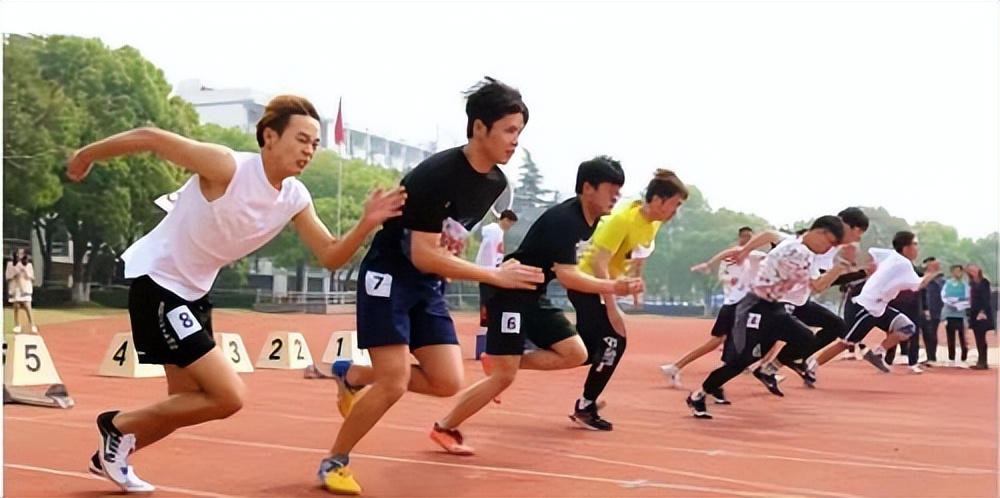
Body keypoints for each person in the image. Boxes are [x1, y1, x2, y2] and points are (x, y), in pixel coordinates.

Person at [66, 94, 406, 494]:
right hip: (159, 282)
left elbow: (330, 255)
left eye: (315, 144)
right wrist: (86, 155)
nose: (309, 150)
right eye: (301, 139)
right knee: (228, 396)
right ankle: (115, 426)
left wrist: (366, 223)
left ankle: (111, 453)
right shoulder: (227, 167)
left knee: (184, 403)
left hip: (193, 293)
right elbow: (151, 137)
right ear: (269, 137)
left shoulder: (295, 197)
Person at [318, 77, 544, 495]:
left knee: (447, 381)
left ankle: (353, 375)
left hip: (427, 284)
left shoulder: (495, 184)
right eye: (509, 130)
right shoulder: (436, 175)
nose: (515, 141)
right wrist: (495, 275)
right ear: (479, 128)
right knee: (394, 381)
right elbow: (421, 253)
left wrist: (456, 244)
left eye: (519, 132)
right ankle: (335, 461)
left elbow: (447, 237)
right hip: (389, 276)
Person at [429, 155, 644, 455]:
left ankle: (500, 359)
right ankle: (445, 427)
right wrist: (613, 287)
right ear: (588, 189)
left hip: (532, 292)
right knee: (505, 377)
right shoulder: (566, 220)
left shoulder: (590, 220)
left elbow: (564, 270)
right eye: (611, 189)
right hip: (508, 291)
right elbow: (568, 276)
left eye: (619, 191)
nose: (616, 197)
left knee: (575, 353)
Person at [686, 216, 844, 419]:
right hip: (755, 307)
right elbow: (818, 286)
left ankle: (769, 368)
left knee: (805, 337)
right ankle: (699, 395)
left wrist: (744, 251)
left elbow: (769, 234)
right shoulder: (799, 252)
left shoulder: (793, 241)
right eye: (829, 242)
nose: (827, 249)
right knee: (742, 361)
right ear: (819, 232)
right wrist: (841, 266)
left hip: (774, 308)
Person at [567, 169, 688, 431]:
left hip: (604, 286)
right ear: (658, 200)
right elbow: (598, 263)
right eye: (675, 204)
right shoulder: (622, 220)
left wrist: (635, 282)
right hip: (587, 284)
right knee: (613, 342)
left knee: (586, 350)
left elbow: (638, 253)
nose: (676, 212)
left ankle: (533, 346)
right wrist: (612, 308)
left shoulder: (653, 223)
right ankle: (585, 405)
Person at [661, 226, 760, 389]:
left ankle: (680, 368)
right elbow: (726, 268)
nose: (747, 239)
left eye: (750, 236)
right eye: (744, 236)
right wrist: (710, 265)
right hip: (734, 303)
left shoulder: (755, 256)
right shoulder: (735, 256)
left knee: (729, 340)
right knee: (723, 340)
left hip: (741, 304)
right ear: (739, 237)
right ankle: (679, 368)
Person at [836, 231, 942, 373]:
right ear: (906, 248)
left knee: (907, 328)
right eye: (915, 244)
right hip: (870, 306)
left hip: (883, 306)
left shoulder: (892, 256)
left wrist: (873, 266)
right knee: (847, 341)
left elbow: (873, 251)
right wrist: (931, 273)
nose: (917, 248)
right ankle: (814, 362)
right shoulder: (904, 263)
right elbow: (919, 285)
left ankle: (878, 353)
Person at [474, 209, 518, 358]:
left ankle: (490, 342)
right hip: (489, 275)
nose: (509, 227)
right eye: (509, 223)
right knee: (488, 308)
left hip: (492, 274)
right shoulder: (495, 232)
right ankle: (485, 345)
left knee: (493, 307)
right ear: (505, 220)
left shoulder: (498, 233)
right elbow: (487, 254)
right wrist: (490, 272)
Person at [965, 264, 994, 370]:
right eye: (970, 270)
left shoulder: (984, 282)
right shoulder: (971, 283)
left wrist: (982, 311)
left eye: (974, 269)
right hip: (974, 312)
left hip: (983, 312)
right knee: (978, 337)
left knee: (982, 336)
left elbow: (986, 297)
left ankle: (983, 361)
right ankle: (980, 361)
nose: (972, 271)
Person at [5, 248, 38, 333]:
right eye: (18, 253)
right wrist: (15, 273)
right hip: (15, 287)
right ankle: (17, 325)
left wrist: (25, 272)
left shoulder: (28, 265)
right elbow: (8, 276)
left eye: (22, 254)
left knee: (27, 305)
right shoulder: (10, 264)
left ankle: (33, 325)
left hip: (25, 287)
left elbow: (32, 277)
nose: (20, 255)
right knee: (16, 306)